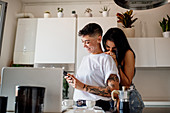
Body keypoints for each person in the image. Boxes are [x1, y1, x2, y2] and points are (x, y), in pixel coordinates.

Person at [65, 23, 120, 111]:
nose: (84, 46)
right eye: (83, 42)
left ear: (99, 39)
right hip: (79, 107)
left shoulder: (106, 59)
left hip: (96, 108)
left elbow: (113, 91)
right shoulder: (85, 59)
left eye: (87, 42)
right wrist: (75, 82)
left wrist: (82, 86)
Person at [102, 28, 144, 110]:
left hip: (128, 99)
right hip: (113, 99)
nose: (110, 51)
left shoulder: (128, 54)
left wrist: (116, 64)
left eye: (114, 48)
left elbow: (126, 84)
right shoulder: (105, 55)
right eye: (107, 47)